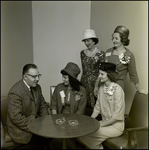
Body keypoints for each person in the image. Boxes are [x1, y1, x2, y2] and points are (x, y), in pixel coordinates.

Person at [77, 62, 125, 149]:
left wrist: (101, 124)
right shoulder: (101, 89)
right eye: (99, 74)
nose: (99, 76)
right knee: (82, 131)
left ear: (109, 75)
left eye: (102, 74)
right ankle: (97, 147)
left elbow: (117, 116)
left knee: (89, 133)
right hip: (104, 124)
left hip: (116, 127)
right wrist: (91, 121)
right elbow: (97, 108)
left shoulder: (118, 90)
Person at [6, 63, 50, 149]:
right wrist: (35, 127)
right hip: (20, 129)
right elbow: (16, 117)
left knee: (50, 136)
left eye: (38, 76)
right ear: (25, 77)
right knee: (40, 142)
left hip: (35, 124)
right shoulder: (15, 92)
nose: (37, 79)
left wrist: (46, 122)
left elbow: (43, 105)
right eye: (34, 76)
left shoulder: (37, 88)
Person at [94, 25, 143, 95]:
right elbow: (102, 70)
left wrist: (139, 89)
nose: (113, 41)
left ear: (123, 40)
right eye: (113, 38)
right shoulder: (108, 52)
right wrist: (96, 85)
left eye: (116, 38)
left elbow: (133, 73)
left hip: (118, 86)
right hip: (105, 84)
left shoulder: (128, 55)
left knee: (116, 104)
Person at [50, 62, 87, 148]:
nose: (63, 80)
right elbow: (53, 105)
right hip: (59, 119)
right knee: (58, 138)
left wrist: (71, 123)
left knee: (65, 137)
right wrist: (56, 120)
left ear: (72, 78)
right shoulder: (59, 87)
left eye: (65, 78)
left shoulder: (81, 90)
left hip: (75, 121)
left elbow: (81, 110)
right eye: (63, 77)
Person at [80, 29, 105, 113]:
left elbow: (101, 71)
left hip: (95, 84)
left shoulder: (101, 54)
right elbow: (84, 69)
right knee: (83, 106)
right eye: (85, 41)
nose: (86, 43)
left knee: (95, 107)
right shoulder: (82, 53)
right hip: (84, 83)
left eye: (88, 40)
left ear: (94, 41)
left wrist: (96, 86)